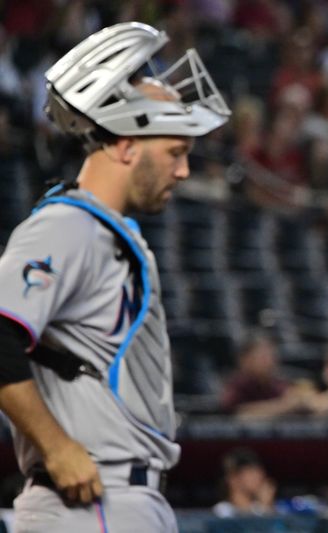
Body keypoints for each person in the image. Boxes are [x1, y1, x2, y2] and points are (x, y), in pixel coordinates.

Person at [0, 21, 229, 532]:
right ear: (126, 145)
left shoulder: (103, 232)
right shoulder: (67, 226)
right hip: (91, 501)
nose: (184, 171)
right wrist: (56, 447)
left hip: (121, 499)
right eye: (175, 151)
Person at [212, 448, 278, 518]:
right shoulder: (222, 510)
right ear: (233, 479)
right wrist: (265, 507)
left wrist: (267, 507)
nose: (260, 476)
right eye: (251, 471)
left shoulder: (259, 507)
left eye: (259, 471)